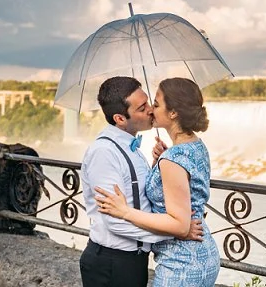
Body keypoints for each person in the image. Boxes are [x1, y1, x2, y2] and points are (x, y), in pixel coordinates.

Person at [79, 76, 203, 287]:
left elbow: (139, 196)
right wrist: (174, 232)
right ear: (120, 118)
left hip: (133, 261)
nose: (151, 110)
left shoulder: (132, 147)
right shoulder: (104, 153)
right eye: (142, 107)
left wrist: (158, 166)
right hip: (112, 263)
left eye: (149, 102)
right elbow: (115, 220)